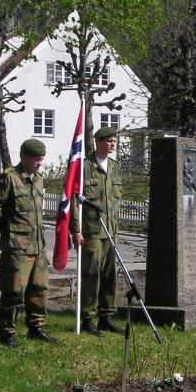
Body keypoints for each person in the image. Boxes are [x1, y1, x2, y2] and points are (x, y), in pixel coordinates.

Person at [0, 138, 58, 348]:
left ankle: (36, 327)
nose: (39, 163)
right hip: (16, 246)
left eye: (42, 159)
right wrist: (7, 229)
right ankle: (7, 332)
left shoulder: (38, 179)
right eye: (36, 159)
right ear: (24, 157)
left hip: (38, 246)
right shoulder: (9, 179)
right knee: (13, 291)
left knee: (40, 288)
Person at [71, 126, 123, 336]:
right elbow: (75, 201)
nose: (112, 145)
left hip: (110, 231)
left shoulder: (115, 167)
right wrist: (76, 229)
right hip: (91, 231)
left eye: (114, 141)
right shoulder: (85, 167)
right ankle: (87, 318)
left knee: (110, 276)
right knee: (91, 275)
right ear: (98, 142)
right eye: (109, 141)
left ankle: (106, 316)